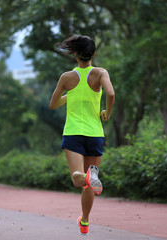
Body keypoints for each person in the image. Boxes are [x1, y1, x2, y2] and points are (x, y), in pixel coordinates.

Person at [49, 35, 115, 235]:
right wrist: (107, 113)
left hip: (73, 134)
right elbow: (111, 94)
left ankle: (85, 176)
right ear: (93, 54)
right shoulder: (100, 73)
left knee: (78, 179)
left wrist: (71, 94)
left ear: (75, 54)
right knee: (88, 185)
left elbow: (53, 104)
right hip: (95, 134)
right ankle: (84, 221)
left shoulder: (66, 77)